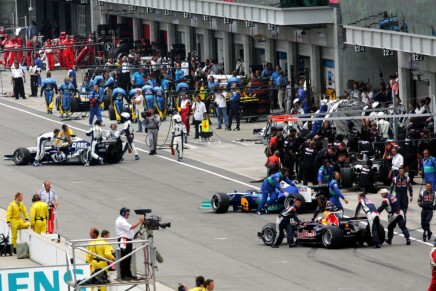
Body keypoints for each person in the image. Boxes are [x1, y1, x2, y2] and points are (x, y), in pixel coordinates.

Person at [115, 207, 144, 281]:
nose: (128, 215)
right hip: (124, 240)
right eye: (127, 214)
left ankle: (128, 274)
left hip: (128, 240)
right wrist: (140, 222)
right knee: (125, 257)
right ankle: (124, 275)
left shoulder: (124, 220)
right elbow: (131, 227)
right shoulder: (121, 221)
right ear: (123, 213)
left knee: (128, 258)